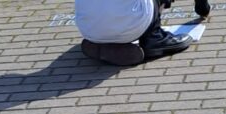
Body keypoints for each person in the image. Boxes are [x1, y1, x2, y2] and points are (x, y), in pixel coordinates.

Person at [75, 0, 207, 67]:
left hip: (88, 29)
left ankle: (102, 42)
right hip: (131, 25)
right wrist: (203, 7)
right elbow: (202, 9)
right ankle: (154, 37)